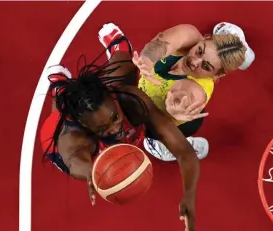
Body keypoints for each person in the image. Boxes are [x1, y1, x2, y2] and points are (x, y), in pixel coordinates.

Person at [40, 32, 199, 231]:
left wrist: (189, 195)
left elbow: (184, 151)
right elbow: (78, 164)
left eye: (115, 118)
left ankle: (118, 46)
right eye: (103, 128)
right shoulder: (73, 139)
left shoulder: (129, 99)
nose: (115, 128)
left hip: (112, 96)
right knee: (61, 107)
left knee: (126, 66)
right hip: (71, 142)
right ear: (87, 126)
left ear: (114, 101)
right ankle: (58, 86)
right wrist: (94, 175)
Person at [98, 22, 255, 162]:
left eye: (206, 66)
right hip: (141, 92)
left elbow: (184, 95)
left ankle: (173, 146)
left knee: (156, 132)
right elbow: (160, 44)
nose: (194, 62)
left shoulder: (197, 90)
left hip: (163, 120)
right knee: (122, 80)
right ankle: (237, 46)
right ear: (204, 38)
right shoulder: (190, 35)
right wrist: (146, 60)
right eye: (199, 51)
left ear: (217, 75)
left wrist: (173, 109)